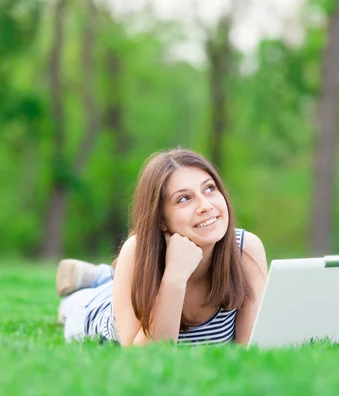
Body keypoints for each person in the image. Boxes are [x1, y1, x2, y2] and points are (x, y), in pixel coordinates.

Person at [56, 148, 268, 346]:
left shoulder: (246, 250)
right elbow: (144, 357)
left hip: (131, 280)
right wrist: (175, 277)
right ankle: (95, 283)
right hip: (97, 310)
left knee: (115, 282)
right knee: (74, 306)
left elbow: (251, 347)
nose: (205, 206)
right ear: (161, 220)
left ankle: (101, 276)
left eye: (210, 188)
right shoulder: (138, 251)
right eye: (184, 198)